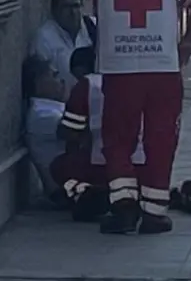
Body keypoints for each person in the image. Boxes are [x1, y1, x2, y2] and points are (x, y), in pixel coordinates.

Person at [12, 0, 191, 235]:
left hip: (120, 72)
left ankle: (124, 209)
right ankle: (155, 213)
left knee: (118, 141)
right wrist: (187, 42)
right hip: (164, 72)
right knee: (162, 139)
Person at [54, 46, 148, 222]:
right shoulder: (140, 79)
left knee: (59, 168)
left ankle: (86, 192)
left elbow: (69, 131)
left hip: (100, 165)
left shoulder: (87, 85)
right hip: (144, 165)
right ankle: (137, 196)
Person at [30, 0, 97, 97]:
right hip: (64, 103)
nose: (73, 12)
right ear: (54, 11)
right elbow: (42, 81)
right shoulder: (44, 37)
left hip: (94, 97)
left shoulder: (94, 27)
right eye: (66, 7)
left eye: (76, 6)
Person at [22, 55, 69, 204]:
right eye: (54, 76)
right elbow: (81, 132)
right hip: (62, 189)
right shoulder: (42, 115)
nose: (61, 81)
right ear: (39, 82)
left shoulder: (52, 108)